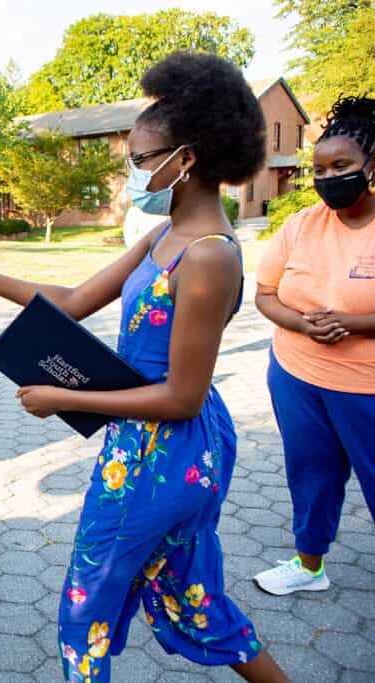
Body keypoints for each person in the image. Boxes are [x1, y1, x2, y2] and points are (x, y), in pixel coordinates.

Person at [0, 52, 287, 682]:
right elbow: (75, 302)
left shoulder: (208, 255)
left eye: (140, 160)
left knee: (87, 615)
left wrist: (62, 397)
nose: (130, 172)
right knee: (195, 602)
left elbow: (183, 399)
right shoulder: (163, 234)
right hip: (149, 444)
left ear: (186, 158)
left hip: (165, 453)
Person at [252, 96, 375, 596]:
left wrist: (350, 322)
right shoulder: (301, 224)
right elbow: (264, 295)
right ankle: (309, 565)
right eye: (320, 168)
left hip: (365, 388)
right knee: (310, 475)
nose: (328, 177)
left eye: (341, 166)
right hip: (296, 375)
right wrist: (305, 325)